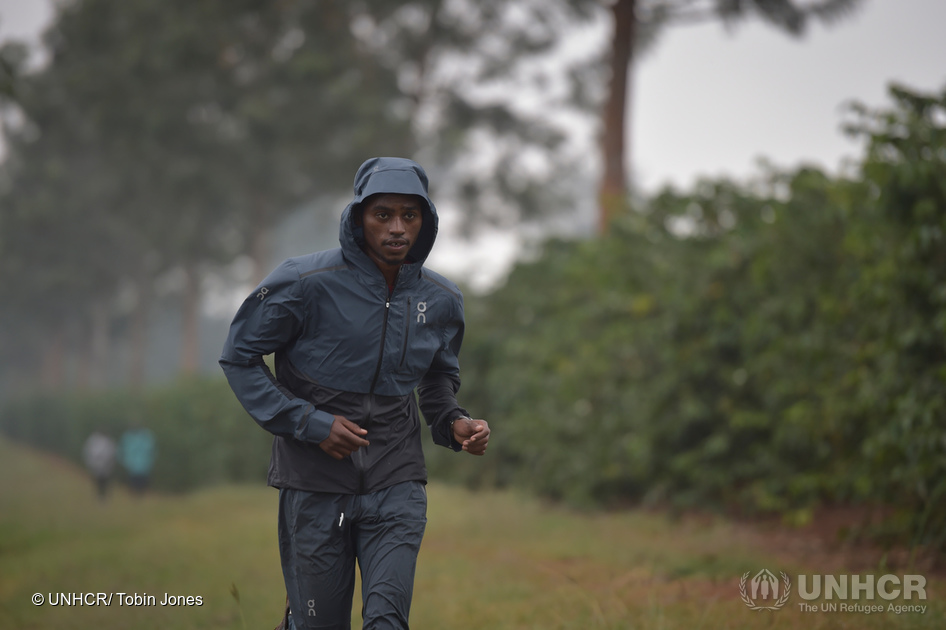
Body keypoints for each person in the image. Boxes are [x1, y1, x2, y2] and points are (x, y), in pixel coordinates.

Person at [220, 156, 490, 630]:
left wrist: (453, 423)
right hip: (314, 483)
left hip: (396, 480)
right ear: (357, 217)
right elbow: (239, 356)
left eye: (411, 215)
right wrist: (309, 423)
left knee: (387, 622)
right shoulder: (303, 283)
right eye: (382, 214)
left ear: (426, 221)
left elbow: (436, 378)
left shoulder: (442, 299)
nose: (397, 228)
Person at [119, 422, 156, 496]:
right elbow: (122, 450)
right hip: (132, 466)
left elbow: (151, 450)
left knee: (142, 485)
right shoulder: (127, 436)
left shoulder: (147, 436)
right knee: (133, 485)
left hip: (144, 466)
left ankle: (141, 498)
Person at [82, 430, 116, 502]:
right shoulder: (94, 441)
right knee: (98, 482)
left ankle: (103, 496)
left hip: (105, 466)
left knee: (104, 482)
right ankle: (99, 496)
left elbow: (111, 454)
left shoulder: (107, 441)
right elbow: (90, 453)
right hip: (97, 466)